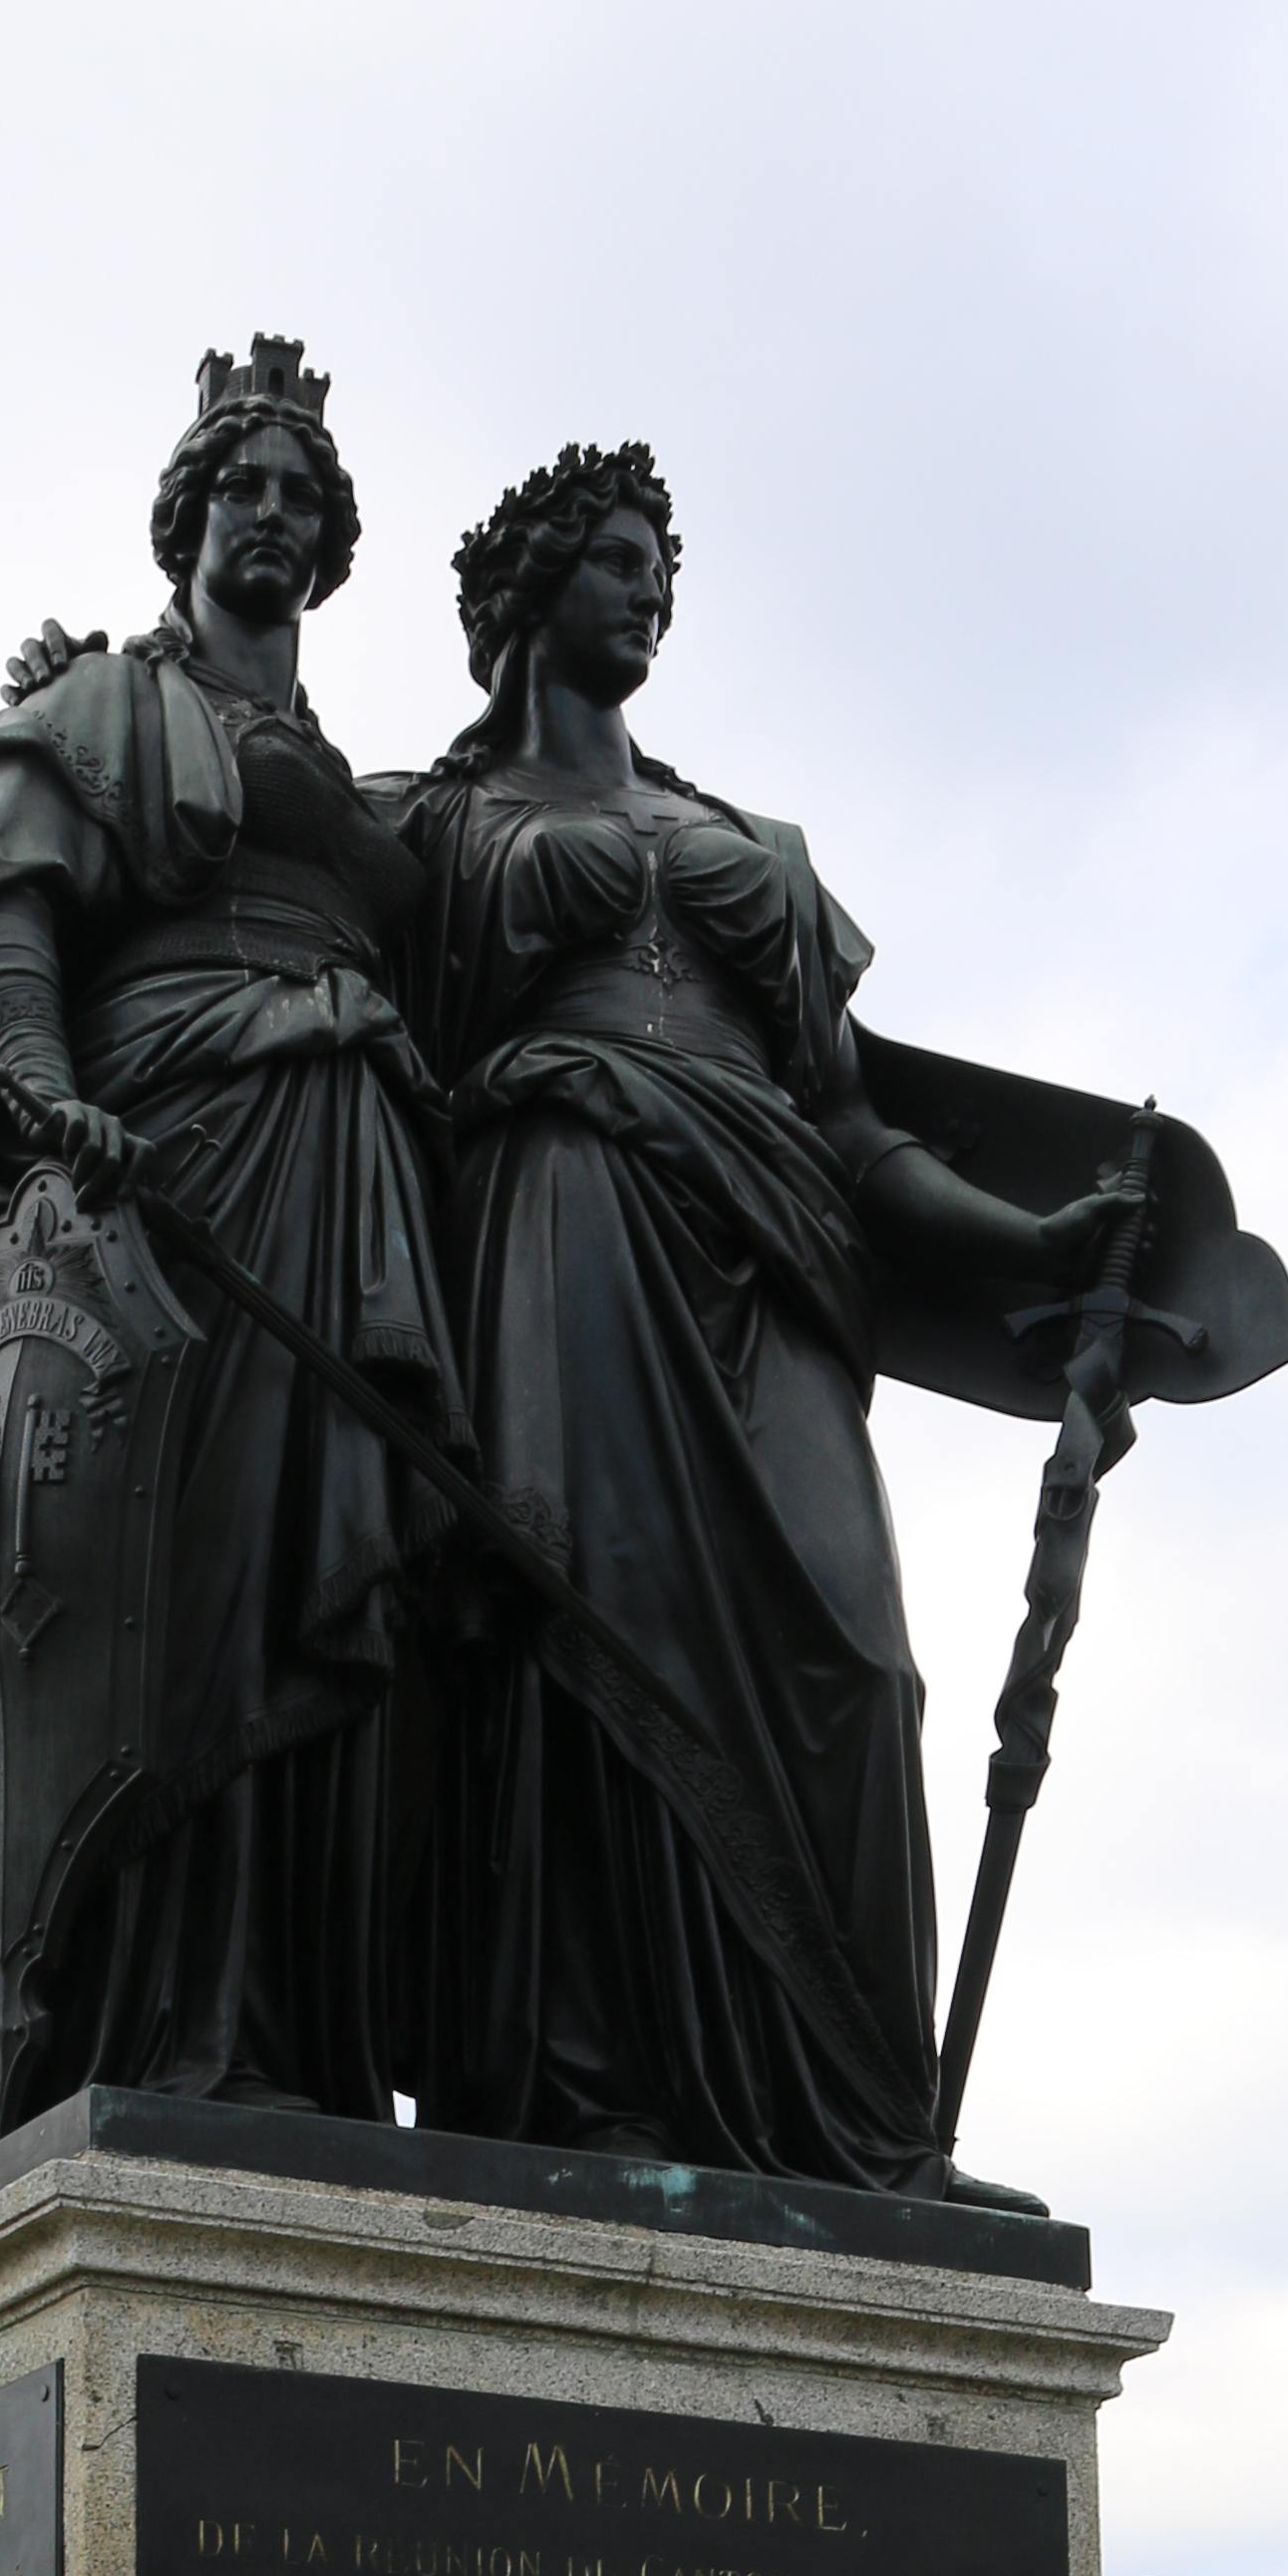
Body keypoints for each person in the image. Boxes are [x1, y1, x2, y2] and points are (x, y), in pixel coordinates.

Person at [390, 444, 1122, 2196]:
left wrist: (1030, 1237)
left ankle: (859, 2124)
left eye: (666, 566)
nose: (652, 588)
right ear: (532, 590)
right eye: (620, 558)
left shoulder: (746, 847)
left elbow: (852, 1126)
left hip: (770, 1243)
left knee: (861, 1671)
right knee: (587, 1624)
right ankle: (587, 2093)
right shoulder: (424, 821)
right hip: (564, 1210)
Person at [0, 341, 456, 2161]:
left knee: (317, 1584)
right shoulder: (109, 709)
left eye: (302, 498)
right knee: (173, 1593)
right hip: (171, 1183)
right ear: (187, 523)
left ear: (333, 549)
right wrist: (48, 1097)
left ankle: (285, 2033)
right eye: (242, 489)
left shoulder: (363, 787)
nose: (271, 516)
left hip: (347, 1189)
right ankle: (138, 2014)